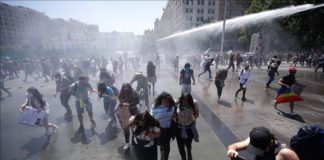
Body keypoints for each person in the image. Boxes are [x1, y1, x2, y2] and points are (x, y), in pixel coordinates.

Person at [227, 127, 299, 160]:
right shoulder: (255, 140)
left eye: (260, 150)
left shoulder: (285, 153)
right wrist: (232, 151)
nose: (258, 153)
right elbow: (234, 146)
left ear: (271, 143)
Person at [151, 92, 177, 160]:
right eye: (164, 101)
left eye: (167, 101)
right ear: (160, 100)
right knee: (161, 146)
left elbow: (176, 102)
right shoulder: (155, 106)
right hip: (158, 130)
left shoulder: (171, 106)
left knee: (166, 149)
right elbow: (151, 117)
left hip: (167, 131)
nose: (166, 103)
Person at [176, 93, 199, 160]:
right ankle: (183, 158)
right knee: (180, 146)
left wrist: (194, 117)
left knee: (188, 144)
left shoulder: (194, 103)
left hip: (190, 128)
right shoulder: (177, 104)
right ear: (181, 99)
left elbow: (197, 114)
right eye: (184, 100)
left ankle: (189, 154)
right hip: (179, 128)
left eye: (187, 100)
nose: (185, 101)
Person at [117, 83, 140, 150]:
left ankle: (134, 141)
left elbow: (137, 101)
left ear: (129, 88)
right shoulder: (121, 95)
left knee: (134, 128)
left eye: (127, 87)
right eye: (124, 87)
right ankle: (127, 143)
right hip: (125, 113)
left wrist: (131, 103)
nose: (126, 89)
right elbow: (120, 102)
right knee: (126, 129)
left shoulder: (134, 93)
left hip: (133, 112)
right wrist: (123, 103)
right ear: (122, 88)